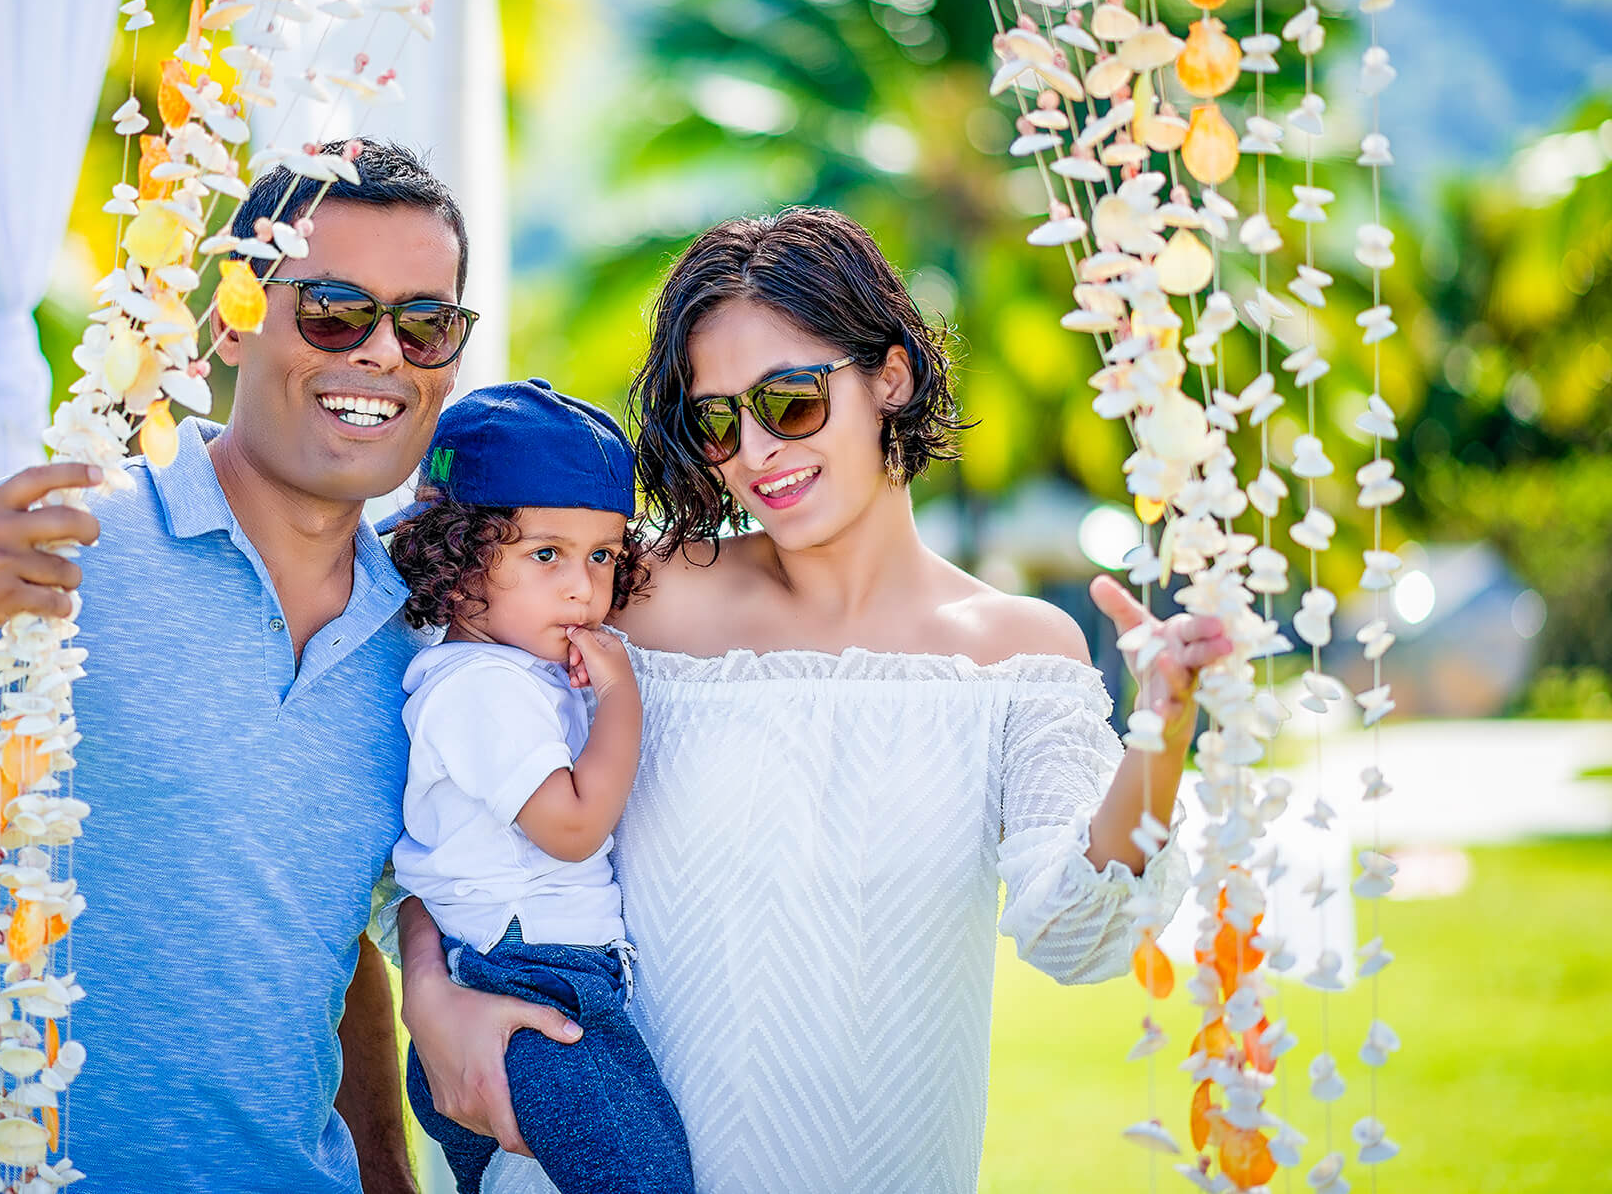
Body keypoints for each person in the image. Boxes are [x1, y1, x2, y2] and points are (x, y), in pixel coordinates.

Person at [0, 140, 580, 1194]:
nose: (380, 354)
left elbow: (322, 936)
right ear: (231, 315)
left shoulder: (423, 642)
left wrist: (385, 1175)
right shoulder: (63, 546)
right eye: (332, 309)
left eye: (423, 323)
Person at [395, 206, 1232, 1194]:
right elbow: (437, 795)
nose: (754, 451)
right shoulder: (625, 597)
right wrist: (428, 995)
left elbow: (1081, 932)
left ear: (890, 375)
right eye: (716, 418)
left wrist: (1160, 729)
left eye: (788, 400)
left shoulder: (1016, 652)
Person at [383, 379, 695, 1194]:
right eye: (545, 554)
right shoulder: (482, 688)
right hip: (530, 985)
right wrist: (622, 696)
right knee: (647, 1177)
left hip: (514, 976)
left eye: (602, 557)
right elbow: (571, 827)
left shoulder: (509, 673)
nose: (582, 588)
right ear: (453, 564)